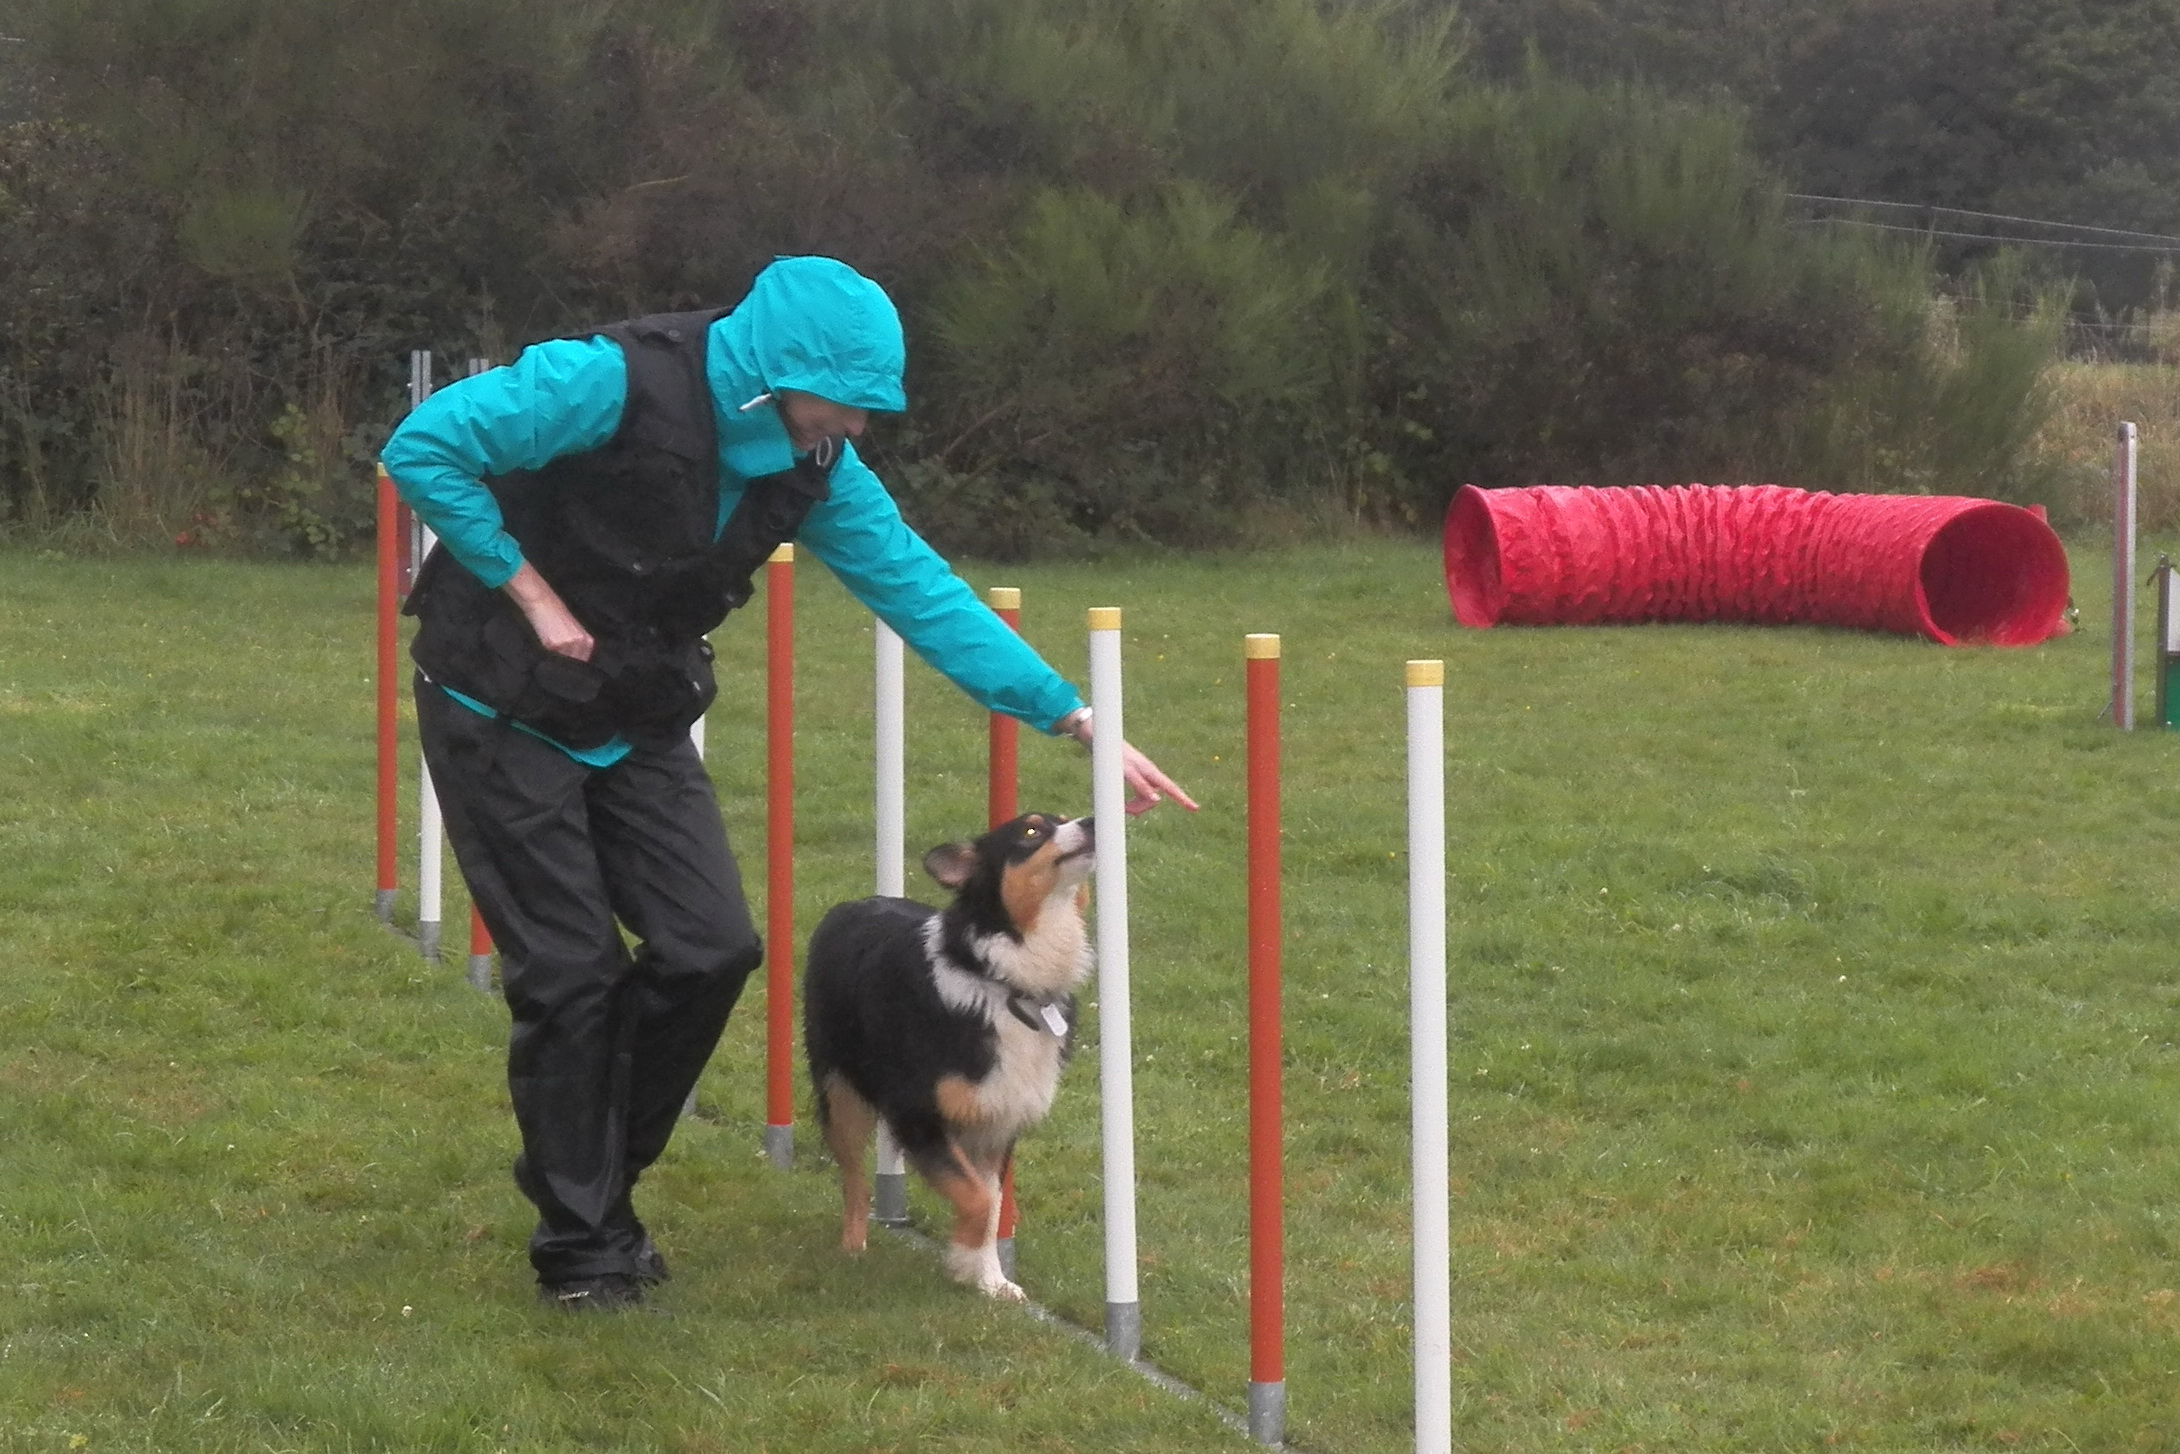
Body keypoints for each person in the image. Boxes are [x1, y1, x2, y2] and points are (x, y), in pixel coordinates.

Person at [381, 255, 1195, 1311]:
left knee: (710, 945)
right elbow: (423, 445)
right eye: (845, 403)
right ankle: (583, 1246)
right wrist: (527, 589)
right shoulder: (604, 382)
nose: (854, 427)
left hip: (632, 712)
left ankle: (585, 1177)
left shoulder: (810, 463)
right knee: (573, 974)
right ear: (771, 375)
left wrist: (1072, 715)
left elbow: (914, 585)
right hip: (496, 701)